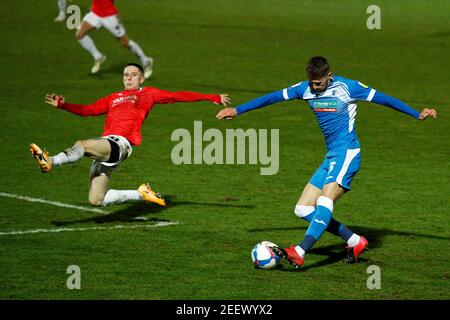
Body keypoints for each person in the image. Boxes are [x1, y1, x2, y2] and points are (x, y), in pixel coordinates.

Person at [216, 56, 437, 268]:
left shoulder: (348, 87)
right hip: (331, 156)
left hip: (347, 154)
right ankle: (354, 240)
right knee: (302, 209)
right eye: (313, 83)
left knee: (324, 200)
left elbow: (385, 99)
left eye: (319, 83)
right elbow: (272, 97)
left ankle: (300, 251)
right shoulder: (303, 89)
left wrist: (416, 113)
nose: (316, 88)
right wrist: (237, 110)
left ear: (329, 76)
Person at [30, 63, 230, 208]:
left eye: (133, 75)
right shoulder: (113, 98)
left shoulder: (148, 94)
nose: (128, 78)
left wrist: (211, 97)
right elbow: (88, 110)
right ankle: (141, 194)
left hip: (120, 144)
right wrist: (64, 105)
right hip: (107, 146)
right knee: (96, 200)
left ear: (141, 79)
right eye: (126, 75)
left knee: (82, 144)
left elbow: (177, 95)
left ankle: (51, 161)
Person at [76, 0, 154, 78]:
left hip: (110, 16)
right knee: (80, 35)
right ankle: (98, 56)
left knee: (124, 42)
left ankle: (146, 61)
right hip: (95, 13)